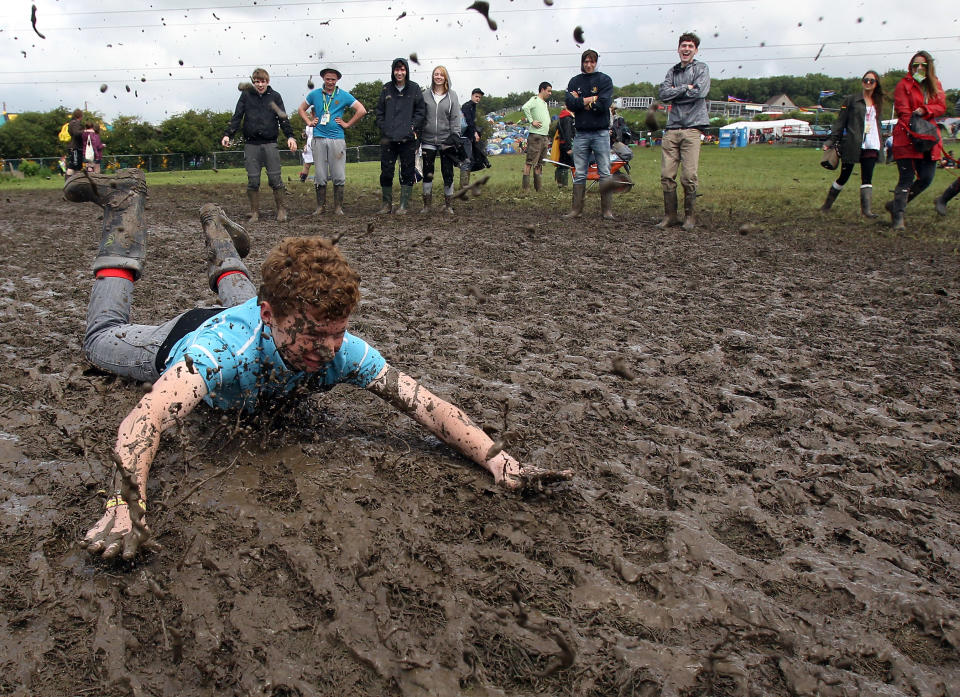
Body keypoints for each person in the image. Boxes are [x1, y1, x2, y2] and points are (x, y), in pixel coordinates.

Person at [64, 169, 572, 561]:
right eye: (312, 335)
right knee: (99, 338)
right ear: (271, 317)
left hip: (250, 313)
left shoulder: (336, 345)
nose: (327, 349)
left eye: (337, 332)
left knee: (246, 293)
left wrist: (498, 460)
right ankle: (123, 211)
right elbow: (147, 418)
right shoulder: (217, 355)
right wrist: (123, 505)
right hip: (191, 331)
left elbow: (425, 404)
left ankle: (216, 225)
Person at [221, 68, 299, 223]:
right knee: (253, 181)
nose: (260, 84)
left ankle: (282, 210)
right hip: (251, 145)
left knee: (275, 179)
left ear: (267, 81)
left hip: (270, 143)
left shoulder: (275, 97)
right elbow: (237, 116)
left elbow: (283, 118)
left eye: (262, 81)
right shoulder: (246, 96)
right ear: (253, 82)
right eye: (256, 82)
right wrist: (228, 134)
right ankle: (254, 212)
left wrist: (290, 136)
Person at [885, 50, 946, 230]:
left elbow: (941, 106)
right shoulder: (903, 85)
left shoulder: (935, 84)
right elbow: (903, 111)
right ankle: (898, 217)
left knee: (926, 178)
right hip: (907, 136)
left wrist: (924, 110)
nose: (919, 68)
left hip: (929, 137)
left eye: (923, 65)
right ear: (910, 67)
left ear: (929, 67)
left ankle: (895, 205)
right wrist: (915, 123)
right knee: (906, 177)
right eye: (915, 65)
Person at [657, 32, 711, 231]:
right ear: (678, 48)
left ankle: (690, 216)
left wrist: (676, 91)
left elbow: (700, 92)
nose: (686, 49)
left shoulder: (702, 69)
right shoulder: (672, 71)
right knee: (666, 175)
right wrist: (684, 88)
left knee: (689, 176)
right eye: (683, 46)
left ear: (695, 49)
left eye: (690, 46)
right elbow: (663, 93)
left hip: (692, 128)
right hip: (672, 129)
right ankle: (670, 215)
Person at [298, 67, 367, 216]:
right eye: (328, 79)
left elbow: (361, 110)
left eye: (333, 79)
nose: (330, 82)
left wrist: (347, 124)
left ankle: (338, 208)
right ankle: (320, 207)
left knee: (338, 174)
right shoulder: (315, 94)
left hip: (337, 138)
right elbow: (301, 109)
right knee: (320, 174)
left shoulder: (343, 95)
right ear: (323, 78)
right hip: (318, 138)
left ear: (337, 80)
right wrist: (309, 121)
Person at [820, 70, 885, 218]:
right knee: (844, 175)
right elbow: (840, 121)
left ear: (876, 84)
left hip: (871, 143)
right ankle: (826, 205)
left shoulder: (878, 102)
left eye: (871, 81)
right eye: (865, 80)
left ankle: (866, 210)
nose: (868, 83)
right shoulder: (851, 100)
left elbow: (878, 123)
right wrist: (831, 140)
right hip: (852, 143)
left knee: (867, 177)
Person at [565, 49, 614, 219]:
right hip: (581, 133)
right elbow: (570, 104)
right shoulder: (574, 81)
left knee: (605, 172)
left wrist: (582, 101)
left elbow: (604, 103)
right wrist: (592, 99)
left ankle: (607, 211)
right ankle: (576, 209)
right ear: (582, 62)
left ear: (596, 62)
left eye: (592, 61)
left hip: (600, 133)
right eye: (586, 61)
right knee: (579, 172)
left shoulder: (604, 80)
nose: (588, 64)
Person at [375, 58, 426, 214]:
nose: (399, 72)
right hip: (388, 139)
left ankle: (403, 205)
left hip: (407, 139)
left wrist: (412, 127)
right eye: (397, 70)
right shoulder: (386, 89)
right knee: (386, 171)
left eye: (402, 69)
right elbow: (379, 113)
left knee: (407, 171)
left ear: (407, 71)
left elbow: (420, 112)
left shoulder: (415, 89)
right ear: (393, 71)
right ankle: (386, 205)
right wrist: (385, 128)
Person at [419, 66, 461, 215]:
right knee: (428, 171)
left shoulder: (452, 96)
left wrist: (455, 135)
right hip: (428, 139)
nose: (438, 77)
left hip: (446, 140)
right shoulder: (424, 95)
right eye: (436, 74)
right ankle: (427, 205)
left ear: (445, 77)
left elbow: (456, 116)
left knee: (447, 172)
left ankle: (448, 205)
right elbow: (420, 115)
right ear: (432, 77)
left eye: (441, 75)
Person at [521, 82, 553, 192]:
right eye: (548, 90)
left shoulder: (544, 103)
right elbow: (525, 107)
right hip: (536, 136)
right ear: (542, 90)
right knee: (530, 162)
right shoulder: (535, 100)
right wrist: (531, 121)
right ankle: (526, 188)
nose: (550, 93)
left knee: (540, 163)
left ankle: (538, 188)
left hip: (544, 136)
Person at [460, 88, 484, 192]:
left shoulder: (472, 106)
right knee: (467, 161)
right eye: (476, 96)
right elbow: (468, 122)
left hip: (468, 138)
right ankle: (464, 186)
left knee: (469, 160)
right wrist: (474, 133)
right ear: (472, 95)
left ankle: (465, 185)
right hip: (464, 137)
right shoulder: (467, 106)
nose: (478, 98)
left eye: (479, 97)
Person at [554, 106, 575, 188]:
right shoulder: (567, 118)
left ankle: (560, 183)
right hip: (567, 144)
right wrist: (569, 147)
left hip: (562, 143)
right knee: (566, 164)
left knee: (561, 163)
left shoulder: (561, 117)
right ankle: (564, 185)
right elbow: (568, 133)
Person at [66, 108, 85, 176]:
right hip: (75, 147)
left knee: (78, 167)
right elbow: (76, 133)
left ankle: (75, 182)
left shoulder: (71, 123)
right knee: (73, 166)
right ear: (80, 115)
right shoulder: (76, 123)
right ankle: (68, 180)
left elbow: (70, 132)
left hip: (75, 147)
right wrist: (84, 131)